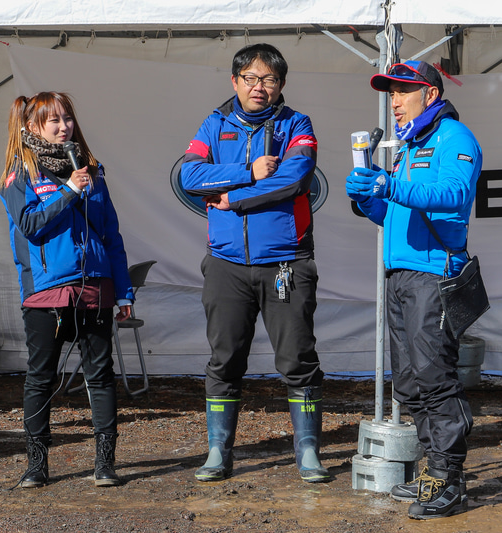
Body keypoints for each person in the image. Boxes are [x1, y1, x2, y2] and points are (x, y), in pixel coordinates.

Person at [181, 43, 328, 483]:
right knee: (224, 360)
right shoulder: (214, 123)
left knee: (297, 360)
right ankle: (218, 451)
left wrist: (233, 199)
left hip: (285, 263)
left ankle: (307, 451)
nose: (259, 87)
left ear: (280, 85)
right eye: (251, 78)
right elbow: (189, 176)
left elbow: (295, 178)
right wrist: (248, 169)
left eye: (269, 80)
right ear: (235, 81)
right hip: (225, 264)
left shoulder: (296, 124)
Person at [346, 61, 482, 519]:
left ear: (430, 93)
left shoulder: (454, 138)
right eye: (390, 94)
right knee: (407, 381)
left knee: (434, 377)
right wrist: (371, 202)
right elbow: (398, 217)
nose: (395, 102)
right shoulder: (406, 147)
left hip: (434, 275)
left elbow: (452, 196)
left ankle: (449, 480)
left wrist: (391, 183)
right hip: (400, 274)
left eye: (402, 92)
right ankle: (431, 471)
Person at [0, 91, 133, 488]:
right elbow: (30, 225)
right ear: (31, 127)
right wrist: (70, 191)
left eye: (67, 118)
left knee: (101, 375)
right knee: (41, 377)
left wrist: (123, 290)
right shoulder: (19, 173)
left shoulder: (92, 170)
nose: (63, 127)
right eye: (52, 121)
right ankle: (37, 465)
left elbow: (111, 234)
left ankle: (105, 464)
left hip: (96, 286)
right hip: (46, 292)